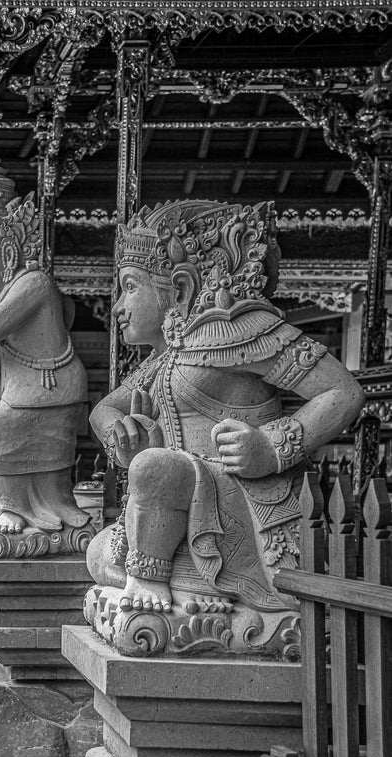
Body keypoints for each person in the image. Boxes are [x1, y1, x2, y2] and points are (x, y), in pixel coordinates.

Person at [86, 199, 364, 654]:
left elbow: (342, 392)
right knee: (98, 552)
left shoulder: (243, 330)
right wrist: (124, 430)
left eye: (129, 287)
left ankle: (154, 583)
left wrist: (270, 447)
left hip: (240, 498)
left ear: (178, 288)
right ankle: (185, 581)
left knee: (156, 468)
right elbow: (102, 410)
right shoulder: (168, 356)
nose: (118, 306)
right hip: (179, 503)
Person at [0, 154, 90, 557]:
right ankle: (11, 504)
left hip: (50, 386)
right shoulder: (4, 289)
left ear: (7, 250)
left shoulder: (32, 283)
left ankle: (21, 511)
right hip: (29, 386)